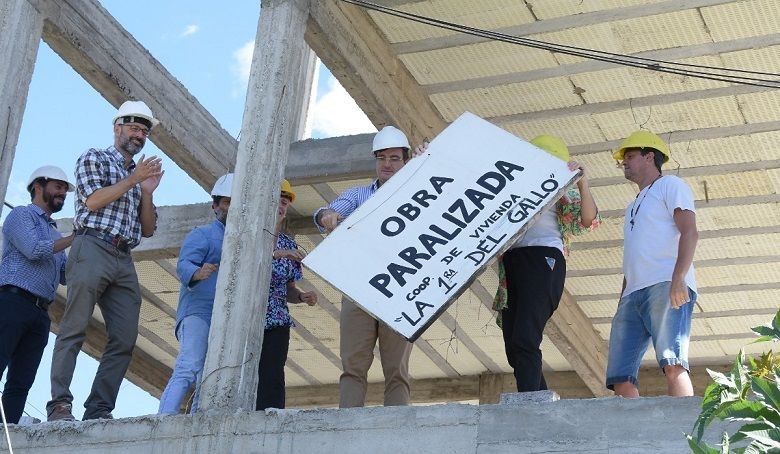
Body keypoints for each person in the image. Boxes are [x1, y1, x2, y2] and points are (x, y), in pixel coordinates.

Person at [47, 100, 164, 421]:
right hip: (92, 246)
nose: (139, 135)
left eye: (144, 130)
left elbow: (149, 229)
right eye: (134, 127)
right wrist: (133, 179)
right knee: (74, 326)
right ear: (118, 128)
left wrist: (148, 191)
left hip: (123, 256)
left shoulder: (139, 178)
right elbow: (94, 200)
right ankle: (59, 404)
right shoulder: (94, 157)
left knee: (125, 338)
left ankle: (99, 409)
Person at [314, 126, 414, 408]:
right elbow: (323, 212)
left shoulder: (419, 191)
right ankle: (348, 425)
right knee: (353, 364)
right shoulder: (358, 195)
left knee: (397, 368)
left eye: (394, 158)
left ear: (406, 161)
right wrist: (327, 216)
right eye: (382, 158)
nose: (387, 164)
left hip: (399, 290)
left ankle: (396, 427)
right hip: (358, 289)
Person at [492, 135, 600, 392]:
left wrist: (583, 183)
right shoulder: (514, 185)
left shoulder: (561, 187)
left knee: (525, 338)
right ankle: (536, 399)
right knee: (514, 345)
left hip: (543, 259)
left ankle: (531, 405)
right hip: (513, 263)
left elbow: (587, 221)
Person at [606, 130, 698, 398]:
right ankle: (628, 436)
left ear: (649, 157)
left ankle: (684, 435)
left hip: (666, 283)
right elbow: (633, 255)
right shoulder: (632, 205)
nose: (625, 162)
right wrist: (622, 298)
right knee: (620, 376)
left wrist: (679, 278)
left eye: (630, 156)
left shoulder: (671, 185)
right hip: (632, 293)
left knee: (673, 361)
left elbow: (690, 231)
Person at [0, 166, 75, 424]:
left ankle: (6, 429)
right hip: (11, 301)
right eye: (58, 187)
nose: (62, 193)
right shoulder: (20, 216)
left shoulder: (55, 234)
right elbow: (33, 249)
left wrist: (91, 244)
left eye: (65, 189)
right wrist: (75, 238)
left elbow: (67, 275)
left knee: (21, 381)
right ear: (38, 187)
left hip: (40, 313)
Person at [158, 174, 232, 415]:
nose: (230, 207)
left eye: (235, 202)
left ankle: (196, 419)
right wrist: (197, 272)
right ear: (215, 206)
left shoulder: (242, 239)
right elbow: (184, 264)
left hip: (223, 317)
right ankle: (163, 419)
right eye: (226, 202)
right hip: (198, 313)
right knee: (189, 365)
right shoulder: (203, 234)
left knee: (209, 374)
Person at [256, 180, 317, 410]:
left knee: (272, 372)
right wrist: (278, 254)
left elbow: (288, 288)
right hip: (248, 319)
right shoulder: (249, 237)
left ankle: (269, 418)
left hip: (277, 319)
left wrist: (302, 297)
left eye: (284, 203)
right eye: (276, 202)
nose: (280, 207)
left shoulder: (287, 242)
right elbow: (247, 268)